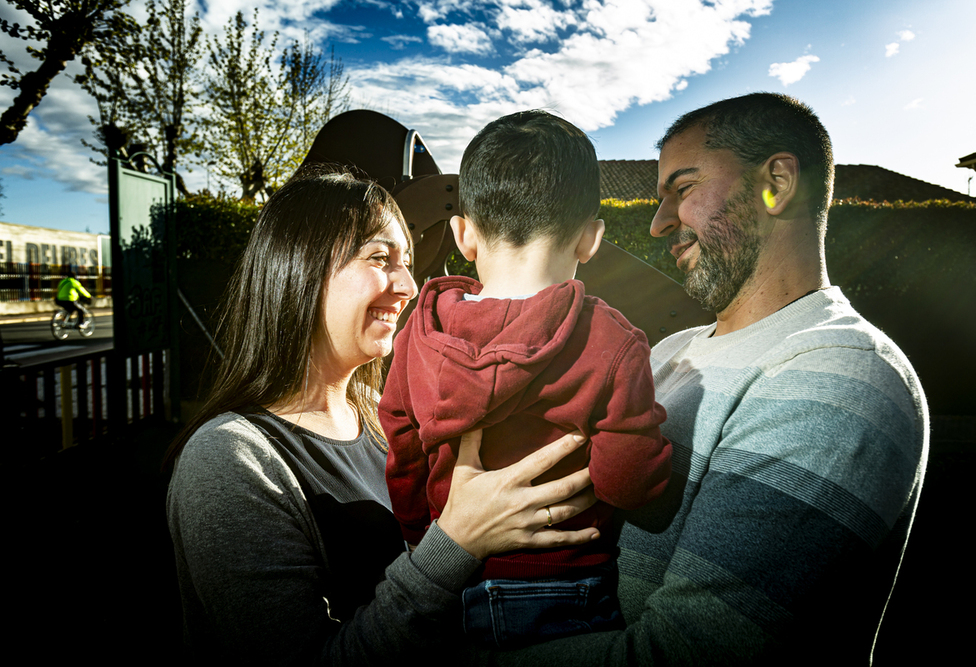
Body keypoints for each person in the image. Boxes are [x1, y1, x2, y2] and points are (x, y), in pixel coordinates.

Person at [480, 93, 929, 665]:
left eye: (683, 188)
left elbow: (681, 658)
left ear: (778, 183)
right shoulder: (671, 353)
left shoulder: (840, 370)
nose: (658, 222)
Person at [164, 166, 600, 665]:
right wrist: (456, 542)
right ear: (299, 266)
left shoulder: (380, 417)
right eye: (380, 258)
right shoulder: (229, 461)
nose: (410, 285)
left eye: (408, 262)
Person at [380, 110, 672, 648]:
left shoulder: (417, 334)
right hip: (564, 586)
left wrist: (429, 542)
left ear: (462, 234)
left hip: (449, 579)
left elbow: (402, 450)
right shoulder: (612, 343)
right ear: (590, 240)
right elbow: (629, 483)